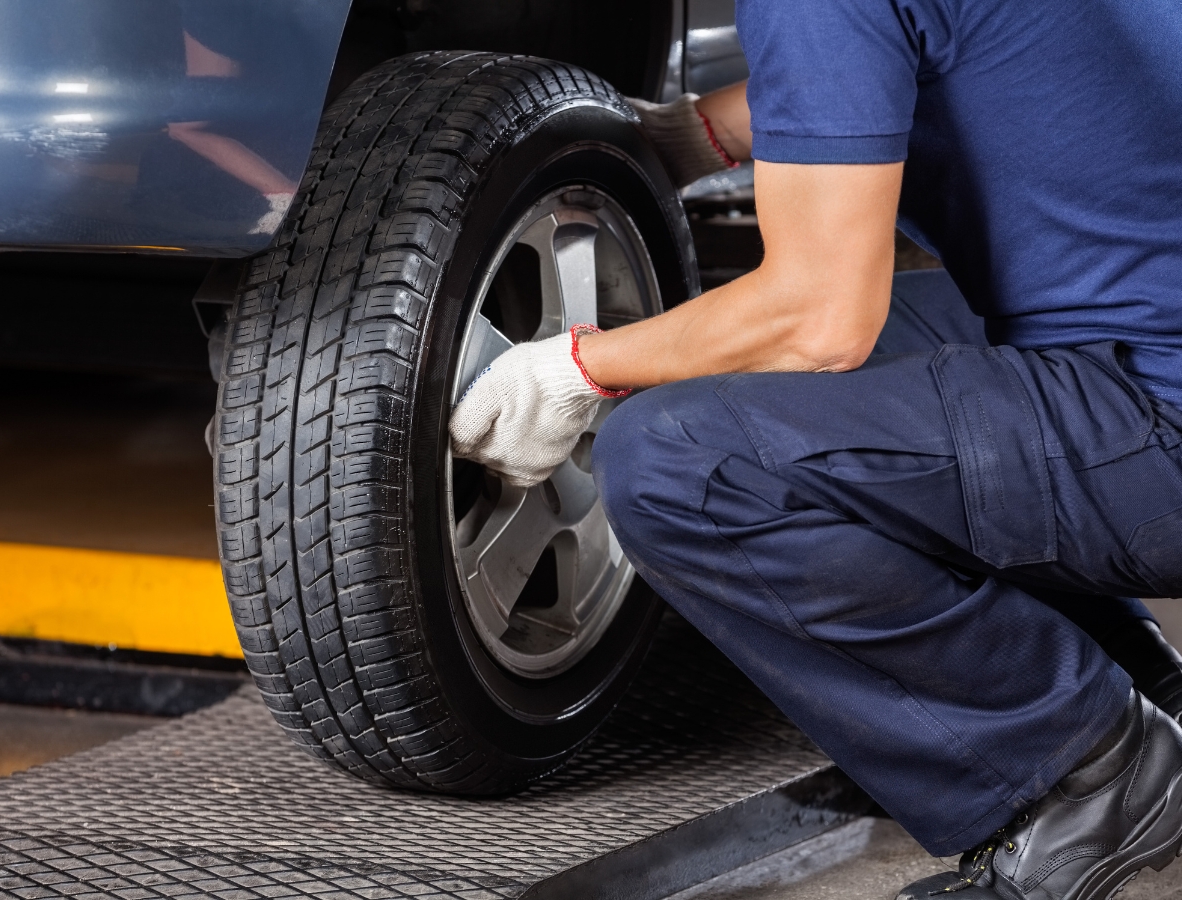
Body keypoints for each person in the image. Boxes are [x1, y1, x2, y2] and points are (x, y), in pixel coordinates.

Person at [448, 1, 1182, 896]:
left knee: (686, 459)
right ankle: (1135, 678)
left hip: (1156, 423)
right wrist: (697, 134)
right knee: (791, 382)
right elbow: (908, 53)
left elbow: (818, 322)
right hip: (1140, 344)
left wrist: (576, 369)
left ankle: (1089, 775)